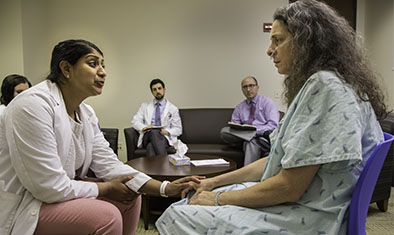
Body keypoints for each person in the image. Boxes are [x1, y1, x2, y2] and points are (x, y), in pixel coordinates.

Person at [156, 0, 390, 234]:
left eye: (278, 40)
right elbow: (276, 161)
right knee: (203, 195)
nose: (269, 50)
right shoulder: (336, 84)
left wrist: (217, 199)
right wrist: (213, 182)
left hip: (312, 216)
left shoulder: (325, 87)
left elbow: (289, 187)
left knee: (179, 213)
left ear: (306, 41)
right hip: (309, 202)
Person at [0, 39, 201, 235]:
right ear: (66, 68)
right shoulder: (31, 105)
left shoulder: (86, 113)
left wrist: (164, 188)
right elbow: (47, 187)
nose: (103, 72)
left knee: (131, 196)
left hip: (52, 193)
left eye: (103, 65)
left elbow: (109, 163)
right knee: (107, 216)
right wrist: (104, 189)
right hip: (22, 203)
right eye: (93, 63)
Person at [220, 76, 280, 165]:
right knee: (224, 131)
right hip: (242, 139)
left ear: (257, 87)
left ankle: (246, 176)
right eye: (245, 87)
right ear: (242, 90)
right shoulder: (240, 107)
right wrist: (244, 131)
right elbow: (234, 126)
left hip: (262, 138)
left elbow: (273, 125)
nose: (248, 89)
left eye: (251, 86)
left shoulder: (268, 103)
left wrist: (257, 132)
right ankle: (250, 136)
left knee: (251, 142)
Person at [131, 78, 182, 156]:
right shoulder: (144, 106)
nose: (157, 91)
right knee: (154, 132)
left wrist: (168, 132)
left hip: (163, 137)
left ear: (164, 90)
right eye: (154, 89)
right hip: (147, 136)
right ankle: (165, 163)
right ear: (152, 92)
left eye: (159, 88)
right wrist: (145, 127)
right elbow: (134, 121)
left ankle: (153, 168)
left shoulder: (173, 109)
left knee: (150, 147)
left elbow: (178, 129)